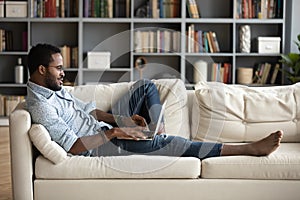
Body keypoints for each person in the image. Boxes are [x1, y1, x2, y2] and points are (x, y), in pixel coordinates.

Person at [26, 43, 283, 159]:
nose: (63, 73)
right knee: (171, 143)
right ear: (41, 69)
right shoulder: (41, 107)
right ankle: (249, 148)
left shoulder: (55, 89)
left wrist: (122, 119)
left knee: (146, 86)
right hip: (99, 146)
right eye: (58, 68)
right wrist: (117, 132)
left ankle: (154, 127)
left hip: (104, 128)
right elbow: (73, 147)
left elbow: (88, 111)